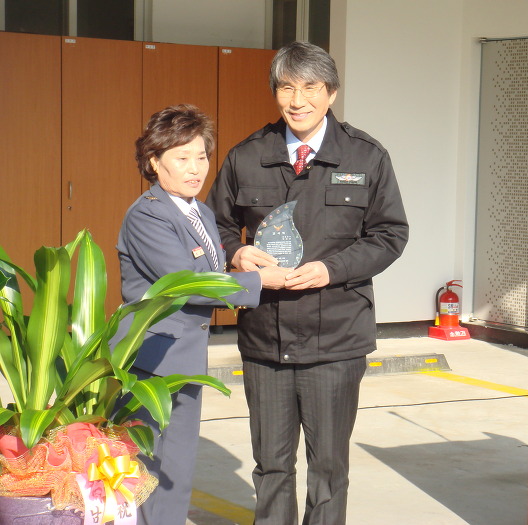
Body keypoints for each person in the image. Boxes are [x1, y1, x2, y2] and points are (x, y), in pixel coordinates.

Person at [206, 41, 409, 525]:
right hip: (266, 337)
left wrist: (332, 269)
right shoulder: (247, 156)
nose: (297, 101)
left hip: (336, 339)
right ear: (275, 92)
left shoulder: (366, 156)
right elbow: (213, 225)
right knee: (271, 466)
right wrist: (235, 252)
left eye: (310, 88)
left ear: (331, 92)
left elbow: (390, 234)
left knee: (328, 469)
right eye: (286, 88)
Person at [114, 104, 289, 525]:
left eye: (202, 156)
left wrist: (239, 256)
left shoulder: (198, 210)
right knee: (149, 465)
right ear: (154, 162)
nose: (196, 168)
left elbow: (209, 265)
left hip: (184, 356)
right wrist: (260, 282)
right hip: (152, 361)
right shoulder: (149, 214)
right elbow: (187, 282)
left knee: (176, 465)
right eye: (182, 158)